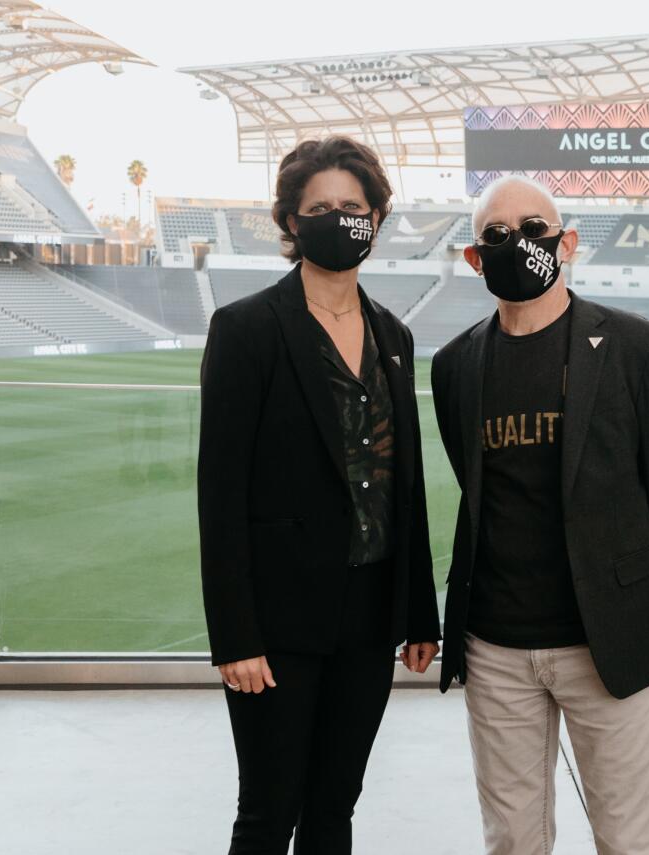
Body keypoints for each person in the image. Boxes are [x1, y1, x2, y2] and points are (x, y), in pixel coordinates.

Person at [431, 175, 649, 854]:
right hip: (494, 647)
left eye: (533, 227)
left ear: (567, 242)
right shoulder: (455, 365)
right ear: (473, 258)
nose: (516, 242)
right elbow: (475, 481)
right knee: (513, 840)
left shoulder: (638, 348)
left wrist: (617, 570)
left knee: (631, 838)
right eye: (496, 234)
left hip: (607, 638)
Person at [196, 135, 441, 855]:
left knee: (336, 807)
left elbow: (407, 481)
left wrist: (418, 611)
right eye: (322, 207)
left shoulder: (393, 334)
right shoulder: (246, 330)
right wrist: (235, 634)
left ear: (376, 217)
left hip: (367, 620)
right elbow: (221, 490)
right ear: (292, 221)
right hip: (277, 625)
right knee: (269, 812)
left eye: (354, 207)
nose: (341, 219)